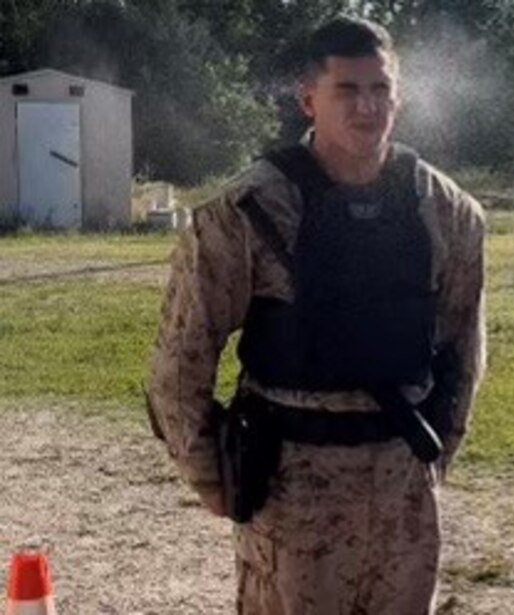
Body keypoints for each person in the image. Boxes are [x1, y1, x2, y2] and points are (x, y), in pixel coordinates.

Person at [147, 17, 486, 614]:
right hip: (290, 493)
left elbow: (463, 350)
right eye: (347, 90)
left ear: (398, 96)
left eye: (381, 89)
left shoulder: (446, 211)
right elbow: (181, 362)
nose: (367, 107)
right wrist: (215, 481)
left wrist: (431, 465)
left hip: (404, 493)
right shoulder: (248, 213)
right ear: (308, 99)